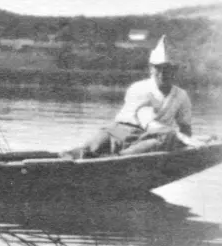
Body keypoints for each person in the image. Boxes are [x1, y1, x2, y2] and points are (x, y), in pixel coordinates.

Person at [60, 35, 200, 159]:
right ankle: (68, 157)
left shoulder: (181, 96)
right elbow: (145, 119)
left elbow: (185, 127)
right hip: (122, 130)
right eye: (159, 68)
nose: (163, 73)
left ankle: (117, 160)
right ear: (151, 69)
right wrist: (178, 135)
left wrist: (188, 142)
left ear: (175, 71)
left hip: (153, 137)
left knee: (164, 139)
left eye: (168, 69)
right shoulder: (138, 88)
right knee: (94, 145)